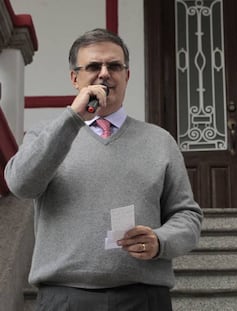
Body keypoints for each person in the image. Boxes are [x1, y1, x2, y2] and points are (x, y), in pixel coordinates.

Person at [5, 28, 202, 311]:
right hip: (65, 298)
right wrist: (73, 118)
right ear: (75, 78)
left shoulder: (160, 141)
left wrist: (160, 241)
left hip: (144, 298)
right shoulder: (43, 135)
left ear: (127, 75)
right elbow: (20, 184)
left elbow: (188, 215)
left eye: (114, 66)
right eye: (94, 66)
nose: (105, 74)